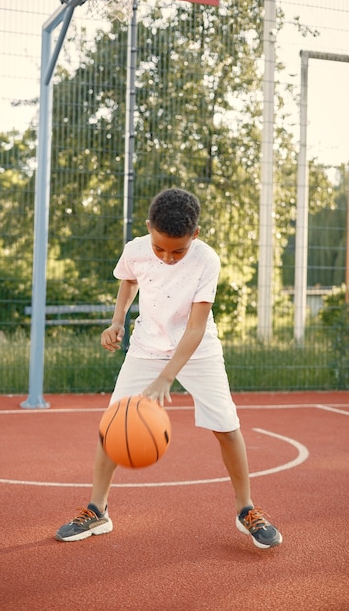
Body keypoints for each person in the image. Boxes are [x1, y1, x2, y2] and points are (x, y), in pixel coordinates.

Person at [55, 188, 283, 549]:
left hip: (198, 348)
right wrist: (118, 321)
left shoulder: (206, 260)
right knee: (114, 424)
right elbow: (129, 280)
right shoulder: (136, 250)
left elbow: (194, 328)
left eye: (177, 250)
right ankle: (97, 509)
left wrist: (167, 377)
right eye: (160, 248)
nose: (167, 257)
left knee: (226, 426)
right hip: (146, 345)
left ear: (195, 234)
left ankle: (246, 510)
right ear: (149, 229)